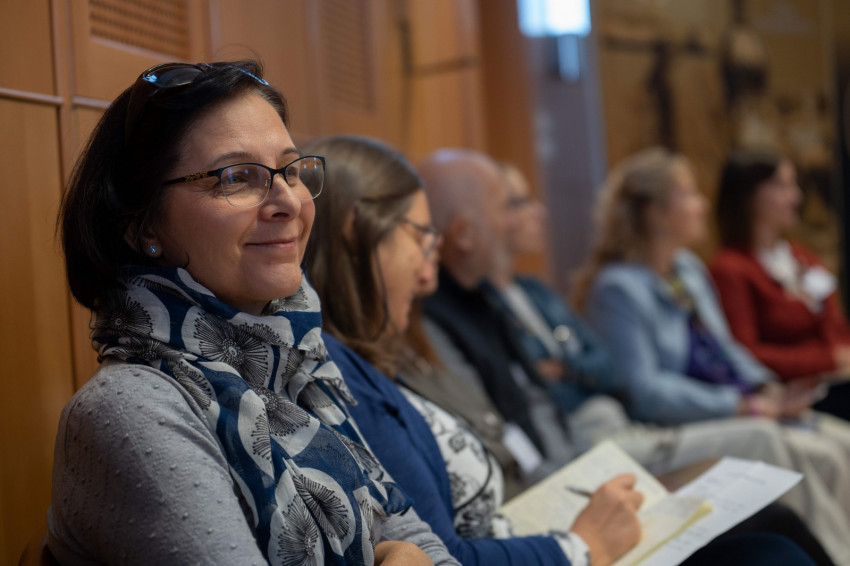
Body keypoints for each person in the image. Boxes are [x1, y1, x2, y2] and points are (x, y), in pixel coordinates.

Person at [303, 136, 820, 566]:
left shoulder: (498, 302)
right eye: (421, 237)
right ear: (359, 235)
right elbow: (444, 550)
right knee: (772, 535)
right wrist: (578, 544)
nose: (428, 271)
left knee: (778, 519)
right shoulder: (350, 371)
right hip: (551, 511)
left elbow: (601, 372)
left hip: (551, 495)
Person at [49, 60, 458, 566]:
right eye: (238, 177)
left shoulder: (294, 362)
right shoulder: (131, 409)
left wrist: (406, 550)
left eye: (291, 170)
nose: (289, 201)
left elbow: (421, 540)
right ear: (144, 225)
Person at [574, 146, 850, 561]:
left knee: (837, 447)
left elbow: (725, 348)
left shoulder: (687, 269)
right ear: (656, 213)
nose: (702, 205)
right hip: (674, 423)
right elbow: (644, 389)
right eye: (689, 194)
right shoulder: (617, 289)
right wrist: (741, 406)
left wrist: (767, 389)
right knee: (774, 442)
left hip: (734, 403)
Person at [710, 147, 850, 418]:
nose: (795, 197)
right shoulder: (730, 269)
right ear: (748, 195)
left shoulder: (803, 256)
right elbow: (744, 352)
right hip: (789, 395)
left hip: (836, 381)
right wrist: (828, 361)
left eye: (793, 185)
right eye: (781, 186)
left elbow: (835, 326)